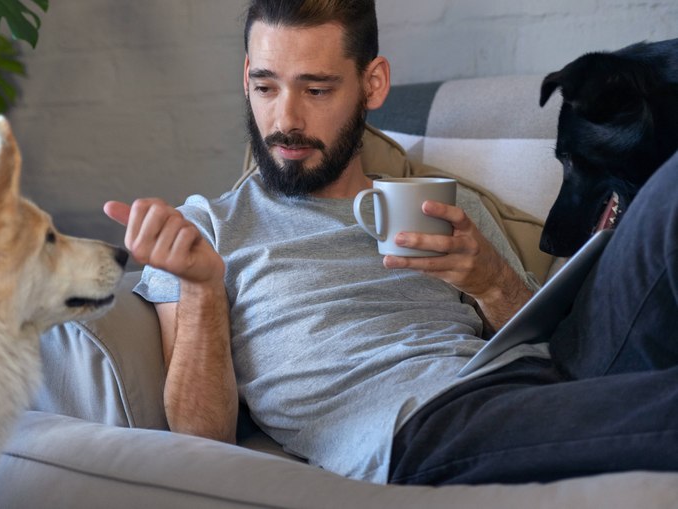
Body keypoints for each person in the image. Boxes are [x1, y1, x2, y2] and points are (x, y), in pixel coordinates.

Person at [103, 0, 678, 485]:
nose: (286, 119)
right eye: (265, 86)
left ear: (371, 83)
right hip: (423, 427)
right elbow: (203, 439)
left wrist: (491, 282)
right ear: (246, 78)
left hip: (534, 377)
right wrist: (202, 287)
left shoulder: (443, 206)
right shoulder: (206, 230)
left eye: (317, 89)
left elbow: (551, 341)